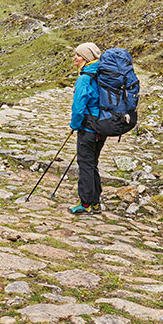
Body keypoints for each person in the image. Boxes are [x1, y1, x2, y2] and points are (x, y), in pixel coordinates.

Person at [69, 42, 105, 215]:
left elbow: (78, 108)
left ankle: (85, 203)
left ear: (86, 58)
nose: (75, 58)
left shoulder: (85, 78)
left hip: (88, 127)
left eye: (78, 55)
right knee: (92, 163)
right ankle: (95, 202)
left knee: (85, 164)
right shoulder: (101, 74)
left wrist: (74, 126)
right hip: (102, 126)